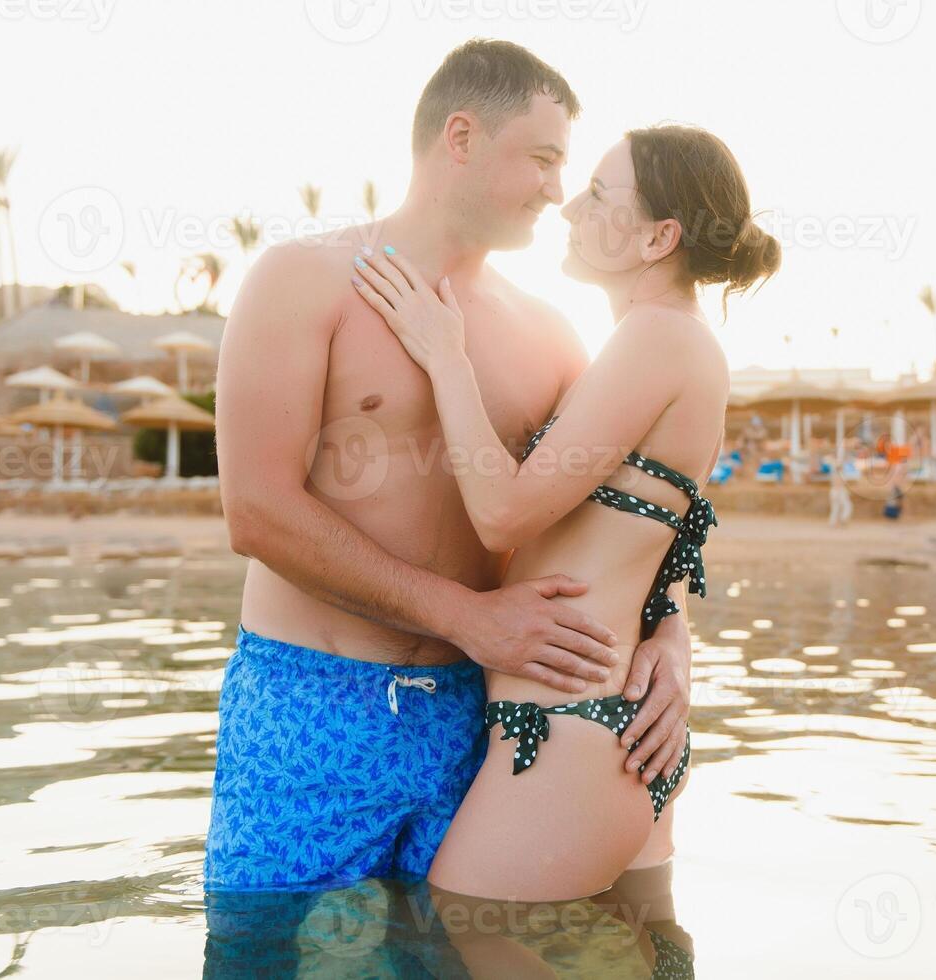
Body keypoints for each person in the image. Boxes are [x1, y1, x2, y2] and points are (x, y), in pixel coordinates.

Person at [206, 41, 696, 897]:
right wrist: (468, 615)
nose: (556, 189)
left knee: (457, 955)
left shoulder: (549, 334)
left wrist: (672, 637)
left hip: (480, 716)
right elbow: (257, 511)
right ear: (461, 137)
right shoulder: (302, 281)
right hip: (313, 700)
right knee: (269, 952)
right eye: (542, 159)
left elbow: (634, 505)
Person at [351, 123, 779, 902]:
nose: (570, 205)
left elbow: (504, 514)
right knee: (650, 955)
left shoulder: (657, 338)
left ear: (659, 237)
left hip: (564, 741)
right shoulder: (662, 344)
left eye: (600, 195)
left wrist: (445, 354)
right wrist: (673, 633)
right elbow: (671, 535)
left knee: (461, 937)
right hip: (605, 736)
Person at [828, 449, 853, 526]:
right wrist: (839, 492)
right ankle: (842, 519)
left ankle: (834, 522)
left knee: (836, 507)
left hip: (836, 491)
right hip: (838, 491)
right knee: (846, 506)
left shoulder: (836, 470)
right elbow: (837, 483)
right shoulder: (838, 472)